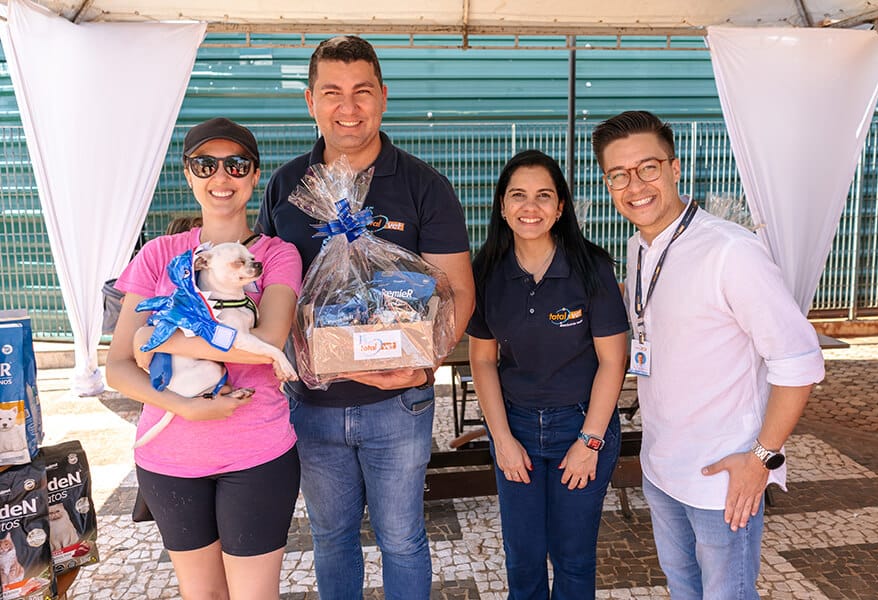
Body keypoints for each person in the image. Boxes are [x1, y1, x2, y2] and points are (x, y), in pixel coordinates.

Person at [256, 36, 475, 599]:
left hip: (399, 405)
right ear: (310, 101)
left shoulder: (426, 186)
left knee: (402, 538)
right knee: (331, 538)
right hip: (313, 406)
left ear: (383, 97)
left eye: (361, 92)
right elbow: (266, 293)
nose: (347, 107)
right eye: (332, 92)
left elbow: (460, 294)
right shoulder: (287, 187)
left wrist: (420, 366)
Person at [592, 110, 826, 599]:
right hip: (662, 468)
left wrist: (761, 459)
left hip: (724, 478)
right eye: (619, 174)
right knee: (683, 588)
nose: (635, 185)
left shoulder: (731, 251)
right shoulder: (638, 248)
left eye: (648, 168)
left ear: (675, 168)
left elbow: (799, 362)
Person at [106, 117, 302, 600]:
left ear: (255, 176)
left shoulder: (276, 256)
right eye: (205, 164)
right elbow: (117, 367)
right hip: (169, 455)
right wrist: (187, 407)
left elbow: (268, 340)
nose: (221, 177)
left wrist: (161, 338)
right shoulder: (159, 255)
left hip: (256, 452)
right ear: (189, 175)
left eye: (236, 165)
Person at [466, 150, 629, 599]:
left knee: (573, 558)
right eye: (518, 196)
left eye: (543, 196)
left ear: (560, 207)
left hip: (580, 425)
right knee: (523, 558)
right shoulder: (485, 273)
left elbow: (614, 361)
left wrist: (589, 441)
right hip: (515, 426)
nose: (530, 207)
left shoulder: (591, 268)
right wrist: (501, 439)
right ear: (502, 206)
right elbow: (483, 360)